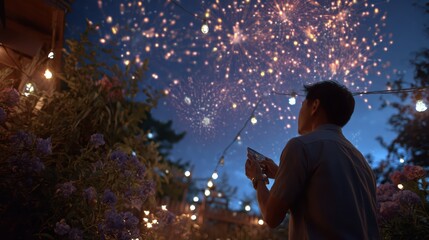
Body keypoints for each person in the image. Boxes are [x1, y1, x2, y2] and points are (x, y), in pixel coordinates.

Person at [245, 80, 379, 239]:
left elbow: (271, 216)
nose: (299, 112)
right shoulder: (362, 163)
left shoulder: (300, 146)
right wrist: (282, 173)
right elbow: (327, 205)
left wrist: (257, 178)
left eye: (302, 105)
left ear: (314, 106)